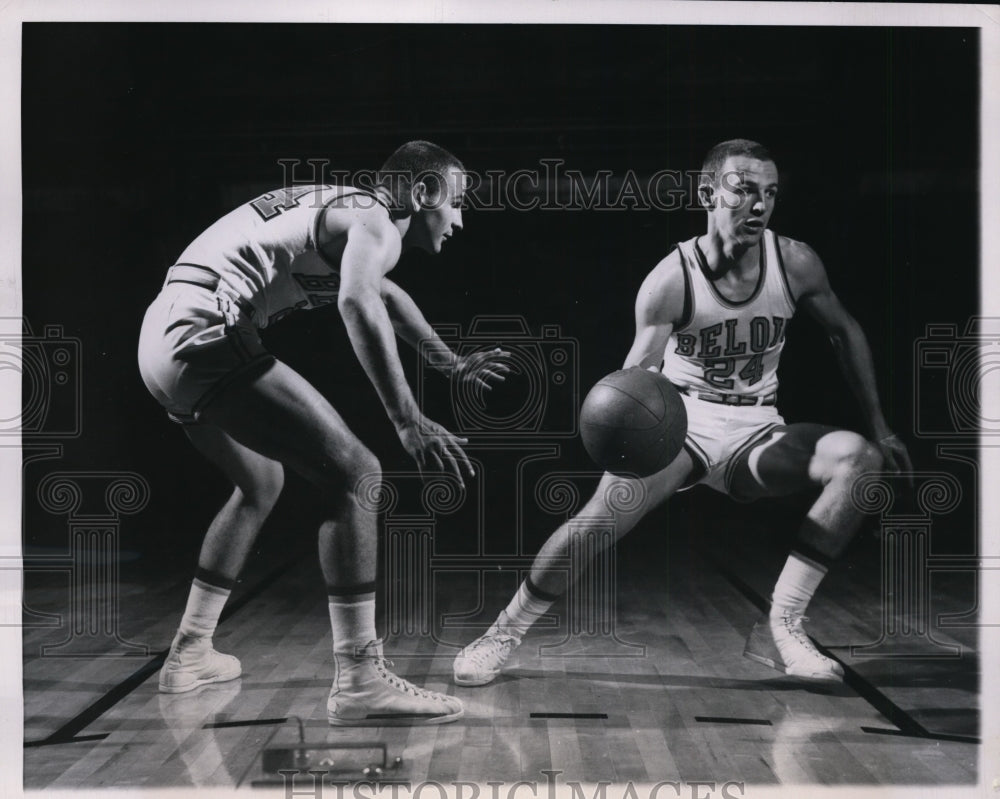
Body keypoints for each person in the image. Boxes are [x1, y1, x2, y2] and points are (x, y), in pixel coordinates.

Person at [453, 139, 912, 686]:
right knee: (599, 520)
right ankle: (503, 632)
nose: (759, 205)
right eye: (744, 191)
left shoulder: (795, 262)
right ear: (707, 193)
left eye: (769, 193)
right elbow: (636, 379)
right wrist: (625, 442)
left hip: (757, 428)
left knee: (857, 458)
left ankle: (783, 626)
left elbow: (845, 331)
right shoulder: (672, 278)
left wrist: (880, 425)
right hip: (681, 423)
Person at [138, 140, 510, 725]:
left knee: (260, 484)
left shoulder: (350, 214)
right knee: (359, 473)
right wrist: (408, 420)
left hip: (162, 335)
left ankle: (189, 652)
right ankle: (361, 678)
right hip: (206, 326)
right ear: (422, 193)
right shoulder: (375, 218)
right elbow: (359, 303)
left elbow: (385, 293)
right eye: (457, 203)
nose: (460, 219)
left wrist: (449, 363)